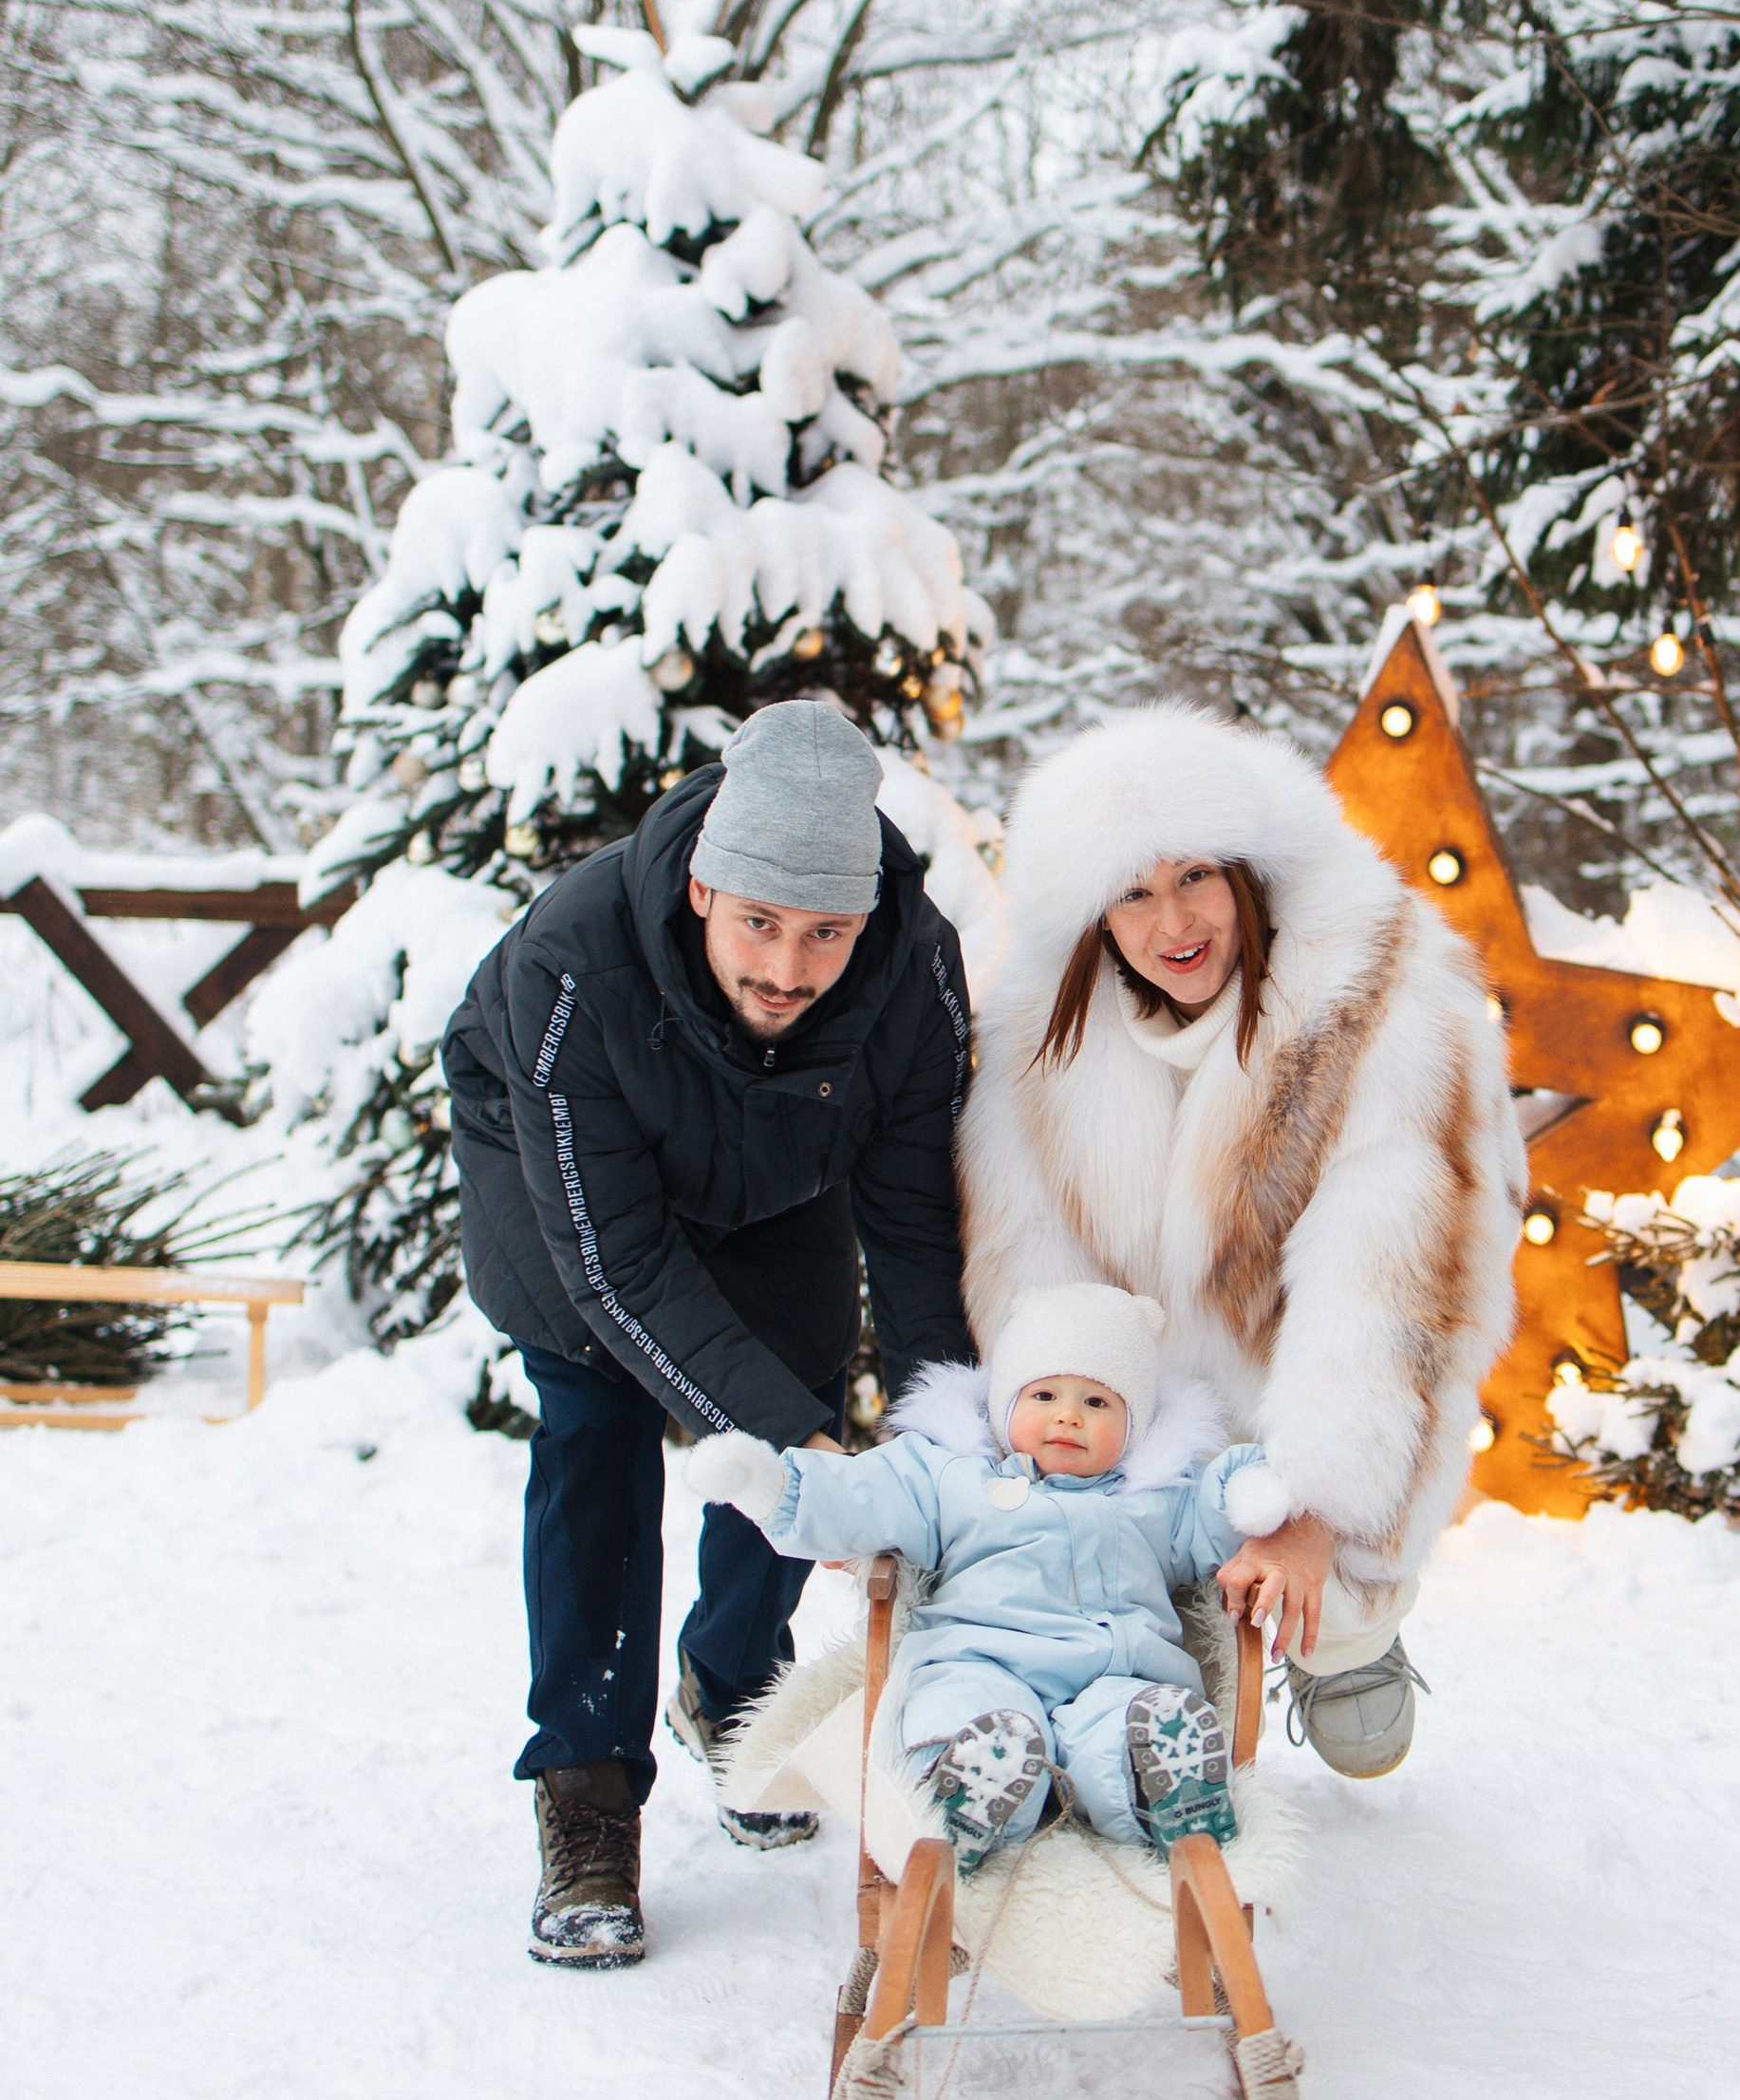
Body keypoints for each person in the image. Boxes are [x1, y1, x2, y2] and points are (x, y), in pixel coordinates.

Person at [443, 699, 975, 1968]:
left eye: (825, 934)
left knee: (796, 1388)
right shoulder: (573, 961)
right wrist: (798, 1444)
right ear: (700, 888)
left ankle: (735, 1687)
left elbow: (910, 1232)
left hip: (777, 1166)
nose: (788, 969)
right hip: (568, 1173)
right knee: (599, 1418)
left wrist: (939, 1450)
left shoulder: (916, 972)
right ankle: (586, 1791)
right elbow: (618, 1264)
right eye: (759, 925)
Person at [957, 704, 1524, 1779]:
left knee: (1330, 1595)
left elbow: (1390, 1298)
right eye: (1131, 892)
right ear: (1092, 921)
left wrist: (1314, 1511)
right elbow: (1031, 1277)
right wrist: (1069, 1466)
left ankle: (1350, 1624)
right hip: (1152, 1401)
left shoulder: (1381, 1005)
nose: (1173, 919)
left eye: (1195, 877)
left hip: (1297, 1370)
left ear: (1249, 874)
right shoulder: (1037, 1044)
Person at [696, 1282, 1264, 1866]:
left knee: (1128, 1719)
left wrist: (1247, 1490)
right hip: (982, 1658)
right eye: (1044, 1394)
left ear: (1135, 1423)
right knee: (966, 1710)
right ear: (1004, 1404)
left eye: (1097, 1403)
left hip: (1115, 1670)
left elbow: (1213, 1521)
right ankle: (969, 1785)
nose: (1068, 1415)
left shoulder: (1157, 1496)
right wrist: (776, 1488)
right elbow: (867, 1493)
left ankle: (1159, 1781)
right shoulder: (951, 1476)